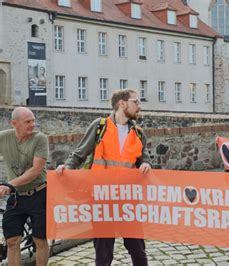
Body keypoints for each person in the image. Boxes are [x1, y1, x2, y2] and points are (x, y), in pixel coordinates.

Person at [56, 89, 151, 265]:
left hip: (127, 200)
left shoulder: (139, 132)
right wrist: (67, 167)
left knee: (138, 250)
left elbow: (143, 158)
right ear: (122, 104)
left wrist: (146, 164)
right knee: (104, 252)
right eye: (136, 102)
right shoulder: (99, 126)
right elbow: (79, 154)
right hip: (102, 199)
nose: (139, 106)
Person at [0, 107, 49, 266]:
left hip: (39, 194)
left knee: (40, 239)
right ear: (15, 123)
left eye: (33, 120)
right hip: (16, 198)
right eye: (27, 121)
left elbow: (36, 170)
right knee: (12, 240)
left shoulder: (40, 139)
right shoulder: (4, 137)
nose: (32, 124)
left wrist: (9, 184)